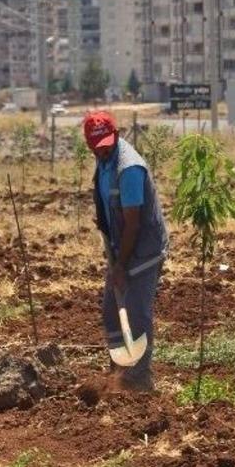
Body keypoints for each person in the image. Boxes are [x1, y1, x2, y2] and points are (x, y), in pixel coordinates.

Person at [85, 110, 168, 392]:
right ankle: (119, 369)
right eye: (97, 147)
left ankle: (139, 379)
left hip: (143, 248)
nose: (103, 150)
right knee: (111, 310)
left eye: (107, 144)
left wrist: (120, 267)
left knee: (135, 310)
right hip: (122, 246)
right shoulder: (103, 160)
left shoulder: (129, 168)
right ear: (89, 145)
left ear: (117, 135)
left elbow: (133, 224)